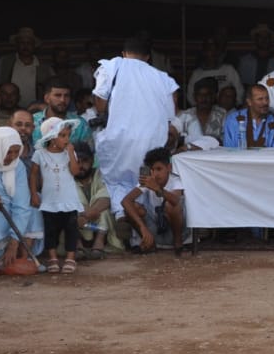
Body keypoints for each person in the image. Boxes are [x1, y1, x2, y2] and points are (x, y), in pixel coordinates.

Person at [92, 35, 180, 218]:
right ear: (148, 57)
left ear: (124, 53)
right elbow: (171, 114)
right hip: (152, 141)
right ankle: (142, 221)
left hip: (120, 139)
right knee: (144, 182)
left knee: (116, 181)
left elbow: (100, 102)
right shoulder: (163, 78)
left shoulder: (111, 66)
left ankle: (122, 213)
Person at [30, 117, 83, 274]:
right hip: (50, 200)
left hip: (69, 200)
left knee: (71, 229)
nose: (67, 139)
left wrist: (71, 153)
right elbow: (33, 175)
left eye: (68, 135)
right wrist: (34, 193)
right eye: (62, 136)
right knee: (50, 229)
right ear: (51, 137)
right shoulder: (40, 154)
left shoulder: (69, 154)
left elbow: (75, 172)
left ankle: (70, 258)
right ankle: (52, 258)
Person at [121, 147, 187, 255]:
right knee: (133, 207)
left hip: (177, 231)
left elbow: (175, 201)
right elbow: (125, 201)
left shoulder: (176, 180)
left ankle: (178, 245)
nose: (155, 174)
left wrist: (157, 188)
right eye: (152, 170)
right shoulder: (148, 181)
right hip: (156, 230)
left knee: (170, 205)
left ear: (169, 168)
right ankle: (150, 244)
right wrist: (142, 227)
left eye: (159, 169)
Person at [0, 127, 34, 270]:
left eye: (16, 152)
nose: (12, 157)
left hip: (6, 222)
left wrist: (14, 242)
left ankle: (13, 255)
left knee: (32, 211)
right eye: (8, 152)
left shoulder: (18, 167)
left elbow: (21, 205)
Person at [72, 142, 116, 259]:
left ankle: (99, 244)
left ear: (92, 160)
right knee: (69, 213)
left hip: (93, 221)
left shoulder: (101, 174)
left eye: (85, 161)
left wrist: (87, 214)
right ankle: (77, 247)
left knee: (105, 211)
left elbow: (106, 199)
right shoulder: (67, 178)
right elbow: (71, 202)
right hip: (79, 223)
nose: (80, 165)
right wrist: (84, 213)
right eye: (77, 161)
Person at [0, 26, 52, 107]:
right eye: (22, 43)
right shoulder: (5, 62)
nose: (25, 46)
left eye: (29, 43)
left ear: (34, 46)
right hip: (8, 110)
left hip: (36, 111)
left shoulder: (45, 67)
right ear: (17, 45)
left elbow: (53, 91)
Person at [31, 77, 91, 146]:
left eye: (66, 96)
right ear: (47, 98)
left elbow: (88, 153)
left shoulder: (80, 124)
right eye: (58, 95)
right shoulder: (32, 121)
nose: (62, 100)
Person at [187, 38, 243, 105]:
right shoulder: (197, 74)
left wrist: (235, 106)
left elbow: (239, 91)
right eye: (209, 49)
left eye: (214, 50)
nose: (212, 53)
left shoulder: (228, 69)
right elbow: (190, 96)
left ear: (218, 52)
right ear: (204, 52)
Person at [175, 78, 227, 145]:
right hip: (189, 154)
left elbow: (226, 140)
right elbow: (176, 140)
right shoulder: (184, 115)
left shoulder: (222, 114)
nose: (204, 98)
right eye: (200, 95)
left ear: (213, 96)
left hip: (216, 154)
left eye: (207, 95)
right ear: (194, 97)